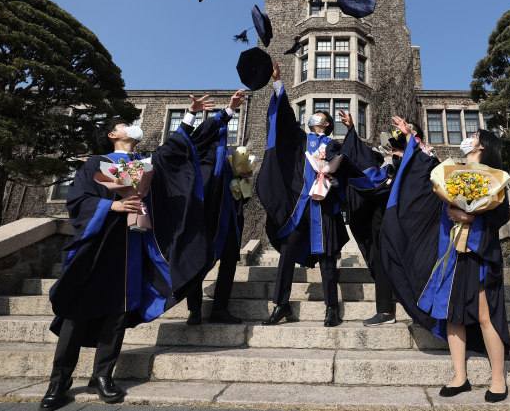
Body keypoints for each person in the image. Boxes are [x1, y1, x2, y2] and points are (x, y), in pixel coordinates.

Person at [40, 96, 215, 410]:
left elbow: (173, 149)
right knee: (75, 316)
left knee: (117, 315)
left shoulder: (146, 163)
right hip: (98, 248)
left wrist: (190, 114)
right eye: (126, 125)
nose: (133, 127)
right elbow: (77, 202)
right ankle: (59, 383)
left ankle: (102, 376)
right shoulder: (97, 164)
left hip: (133, 251)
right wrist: (113, 205)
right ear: (113, 134)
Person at [379, 118, 510, 403]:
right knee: (452, 316)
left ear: (484, 146)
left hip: (478, 254)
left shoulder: (495, 177)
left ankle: (498, 379)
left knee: (485, 316)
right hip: (451, 252)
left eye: (474, 135)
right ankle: (460, 376)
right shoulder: (453, 171)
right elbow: (422, 167)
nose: (468, 138)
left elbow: (500, 217)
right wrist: (410, 136)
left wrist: (470, 216)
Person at [256, 61, 349, 327]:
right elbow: (284, 118)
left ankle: (331, 307)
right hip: (299, 208)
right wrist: (277, 83)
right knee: (286, 257)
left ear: (327, 123)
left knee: (328, 259)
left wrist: (335, 180)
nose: (313, 118)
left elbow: (347, 172)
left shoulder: (335, 145)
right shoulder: (300, 140)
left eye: (318, 116)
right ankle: (281, 305)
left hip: (324, 208)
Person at [337, 112, 428, 326]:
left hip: (408, 215)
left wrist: (405, 154)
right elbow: (360, 159)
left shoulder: (423, 157)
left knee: (413, 258)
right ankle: (385, 311)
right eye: (402, 128)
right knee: (381, 257)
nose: (403, 129)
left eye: (409, 129)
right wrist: (351, 130)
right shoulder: (384, 156)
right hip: (382, 212)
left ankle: (422, 307)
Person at [182, 90, 249, 326]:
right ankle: (195, 310)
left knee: (230, 260)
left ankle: (220, 308)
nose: (223, 134)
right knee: (198, 259)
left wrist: (244, 179)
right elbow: (207, 129)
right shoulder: (198, 153)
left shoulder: (229, 157)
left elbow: (241, 194)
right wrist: (229, 110)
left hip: (228, 216)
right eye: (218, 131)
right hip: (204, 213)